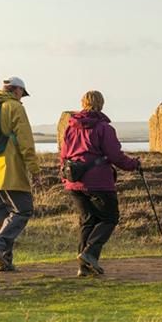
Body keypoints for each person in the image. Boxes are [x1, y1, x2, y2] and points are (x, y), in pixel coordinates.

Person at [59, 90, 141, 277]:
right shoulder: (104, 128)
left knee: (87, 222)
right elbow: (115, 155)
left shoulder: (70, 127)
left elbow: (63, 156)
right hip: (99, 182)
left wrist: (65, 178)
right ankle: (89, 254)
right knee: (109, 218)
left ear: (82, 103)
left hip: (75, 181)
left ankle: (84, 267)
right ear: (101, 104)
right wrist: (134, 164)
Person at [0, 76, 40, 272]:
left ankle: (4, 259)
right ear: (17, 91)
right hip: (9, 169)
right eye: (22, 94)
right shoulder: (15, 107)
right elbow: (25, 140)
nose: (22, 98)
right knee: (23, 209)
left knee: (2, 215)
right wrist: (34, 169)